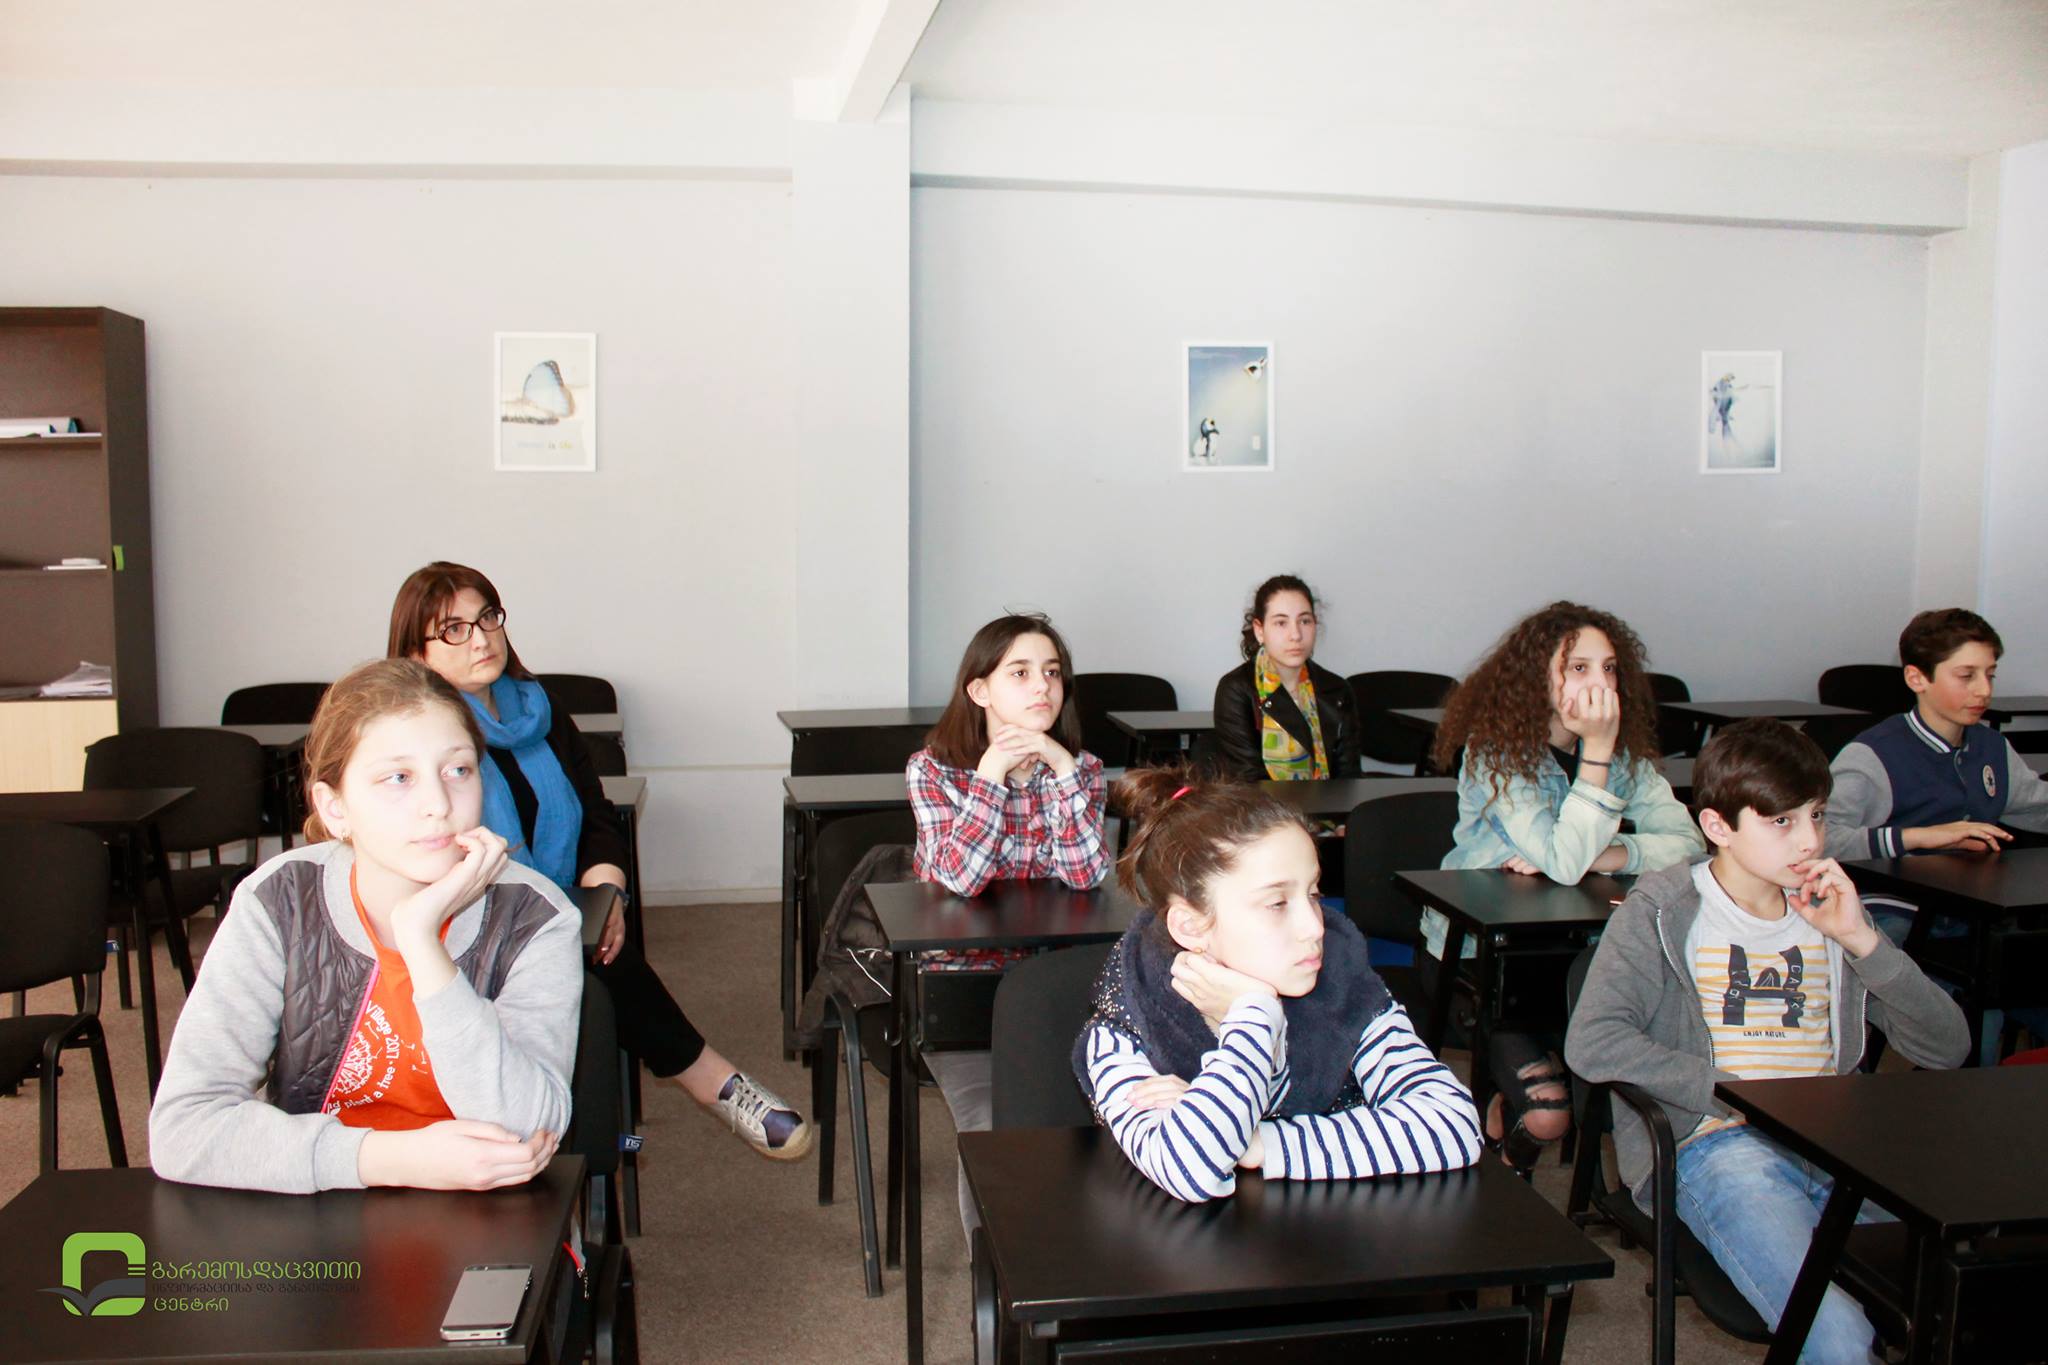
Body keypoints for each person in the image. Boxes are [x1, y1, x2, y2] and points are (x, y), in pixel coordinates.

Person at [1567, 719, 1967, 1364]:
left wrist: (1861, 940)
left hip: (1839, 1146)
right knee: (1840, 1336)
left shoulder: (1828, 907)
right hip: (1717, 1143)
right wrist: (1734, 1094)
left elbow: (1947, 1046)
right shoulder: (1665, 909)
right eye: (1781, 821)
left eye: (1817, 815)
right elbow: (1594, 1041)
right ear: (1718, 826)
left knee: (1964, 1298)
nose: (1809, 840)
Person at [391, 562, 809, 1161]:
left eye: (487, 618)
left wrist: (606, 891)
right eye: (454, 629)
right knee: (587, 961)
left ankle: (637, 1121)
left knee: (594, 949)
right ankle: (714, 1084)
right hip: (466, 920)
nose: (480, 639)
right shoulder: (419, 738)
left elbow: (594, 812)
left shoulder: (540, 711)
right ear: (417, 653)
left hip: (561, 908)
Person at [150, 658, 581, 1192]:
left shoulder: (535, 915)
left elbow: (529, 1127)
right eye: (398, 778)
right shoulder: (280, 901)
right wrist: (395, 1159)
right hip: (319, 1201)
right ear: (335, 808)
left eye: (458, 770)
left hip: (486, 1208)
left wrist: (422, 944)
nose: (438, 804)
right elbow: (183, 1128)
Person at [1073, 766, 1481, 1200]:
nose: (1315, 927)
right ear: (1191, 927)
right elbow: (1190, 1169)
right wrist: (1255, 1015)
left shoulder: (1341, 982)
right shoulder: (1129, 1022)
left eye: (1314, 894)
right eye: (1277, 903)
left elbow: (1453, 1124)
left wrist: (1258, 1143)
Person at [1433, 601, 1704, 1169]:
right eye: (1578, 668)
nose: (1598, 683)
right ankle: (1506, 1161)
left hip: (1585, 953)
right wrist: (1596, 757)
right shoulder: (1496, 750)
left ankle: (1521, 1122)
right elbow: (1562, 861)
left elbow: (1689, 841)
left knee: (1633, 1079)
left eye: (1608, 669)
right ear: (1538, 677)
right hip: (1488, 957)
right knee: (1550, 1113)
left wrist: (1612, 852)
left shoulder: (1624, 757)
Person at [906, 611, 1109, 1234]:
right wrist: (991, 776)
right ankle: (999, 1274)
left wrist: (1063, 773)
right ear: (980, 690)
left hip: (1061, 984)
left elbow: (1085, 874)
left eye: (1052, 672)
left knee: (1114, 1118)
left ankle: (1090, 1255)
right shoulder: (932, 770)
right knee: (997, 1133)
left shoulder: (1082, 769)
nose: (1042, 686)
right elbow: (960, 878)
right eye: (1019, 673)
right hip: (970, 989)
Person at [1212, 574, 1361, 783]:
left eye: (1304, 621)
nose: (1296, 635)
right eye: (1281, 623)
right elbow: (1248, 781)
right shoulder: (1236, 690)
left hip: (1331, 803)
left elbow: (1349, 779)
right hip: (1262, 804)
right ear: (1259, 630)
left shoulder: (1337, 689)